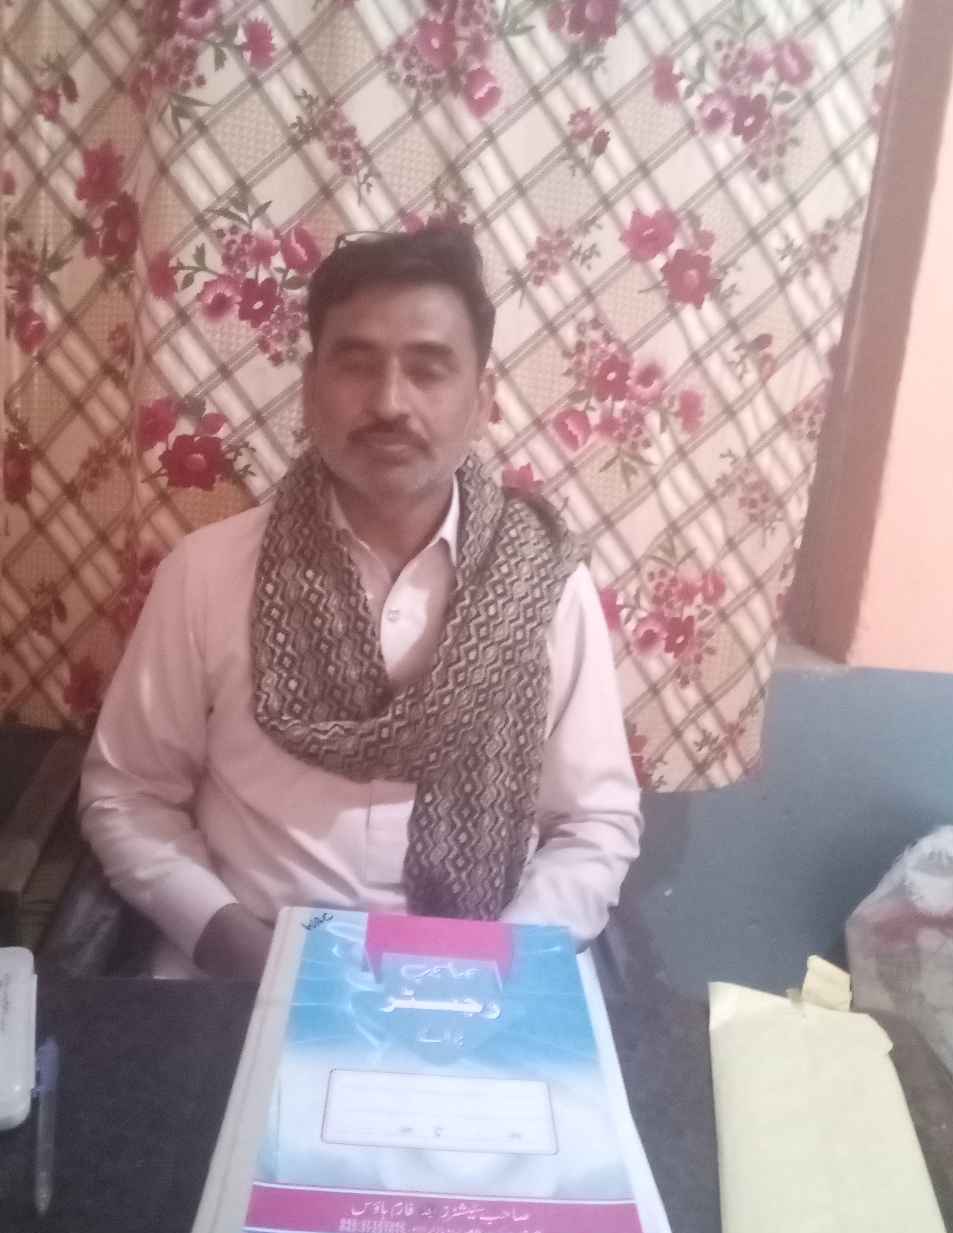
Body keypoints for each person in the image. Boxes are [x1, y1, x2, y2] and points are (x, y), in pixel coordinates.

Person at [79, 225, 642, 979]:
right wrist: (230, 942)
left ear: (482, 401)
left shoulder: (544, 586)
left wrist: (495, 966)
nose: (388, 403)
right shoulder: (206, 574)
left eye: (429, 369)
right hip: (239, 975)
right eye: (357, 364)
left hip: (482, 986)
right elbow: (127, 795)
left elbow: (593, 823)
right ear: (311, 389)